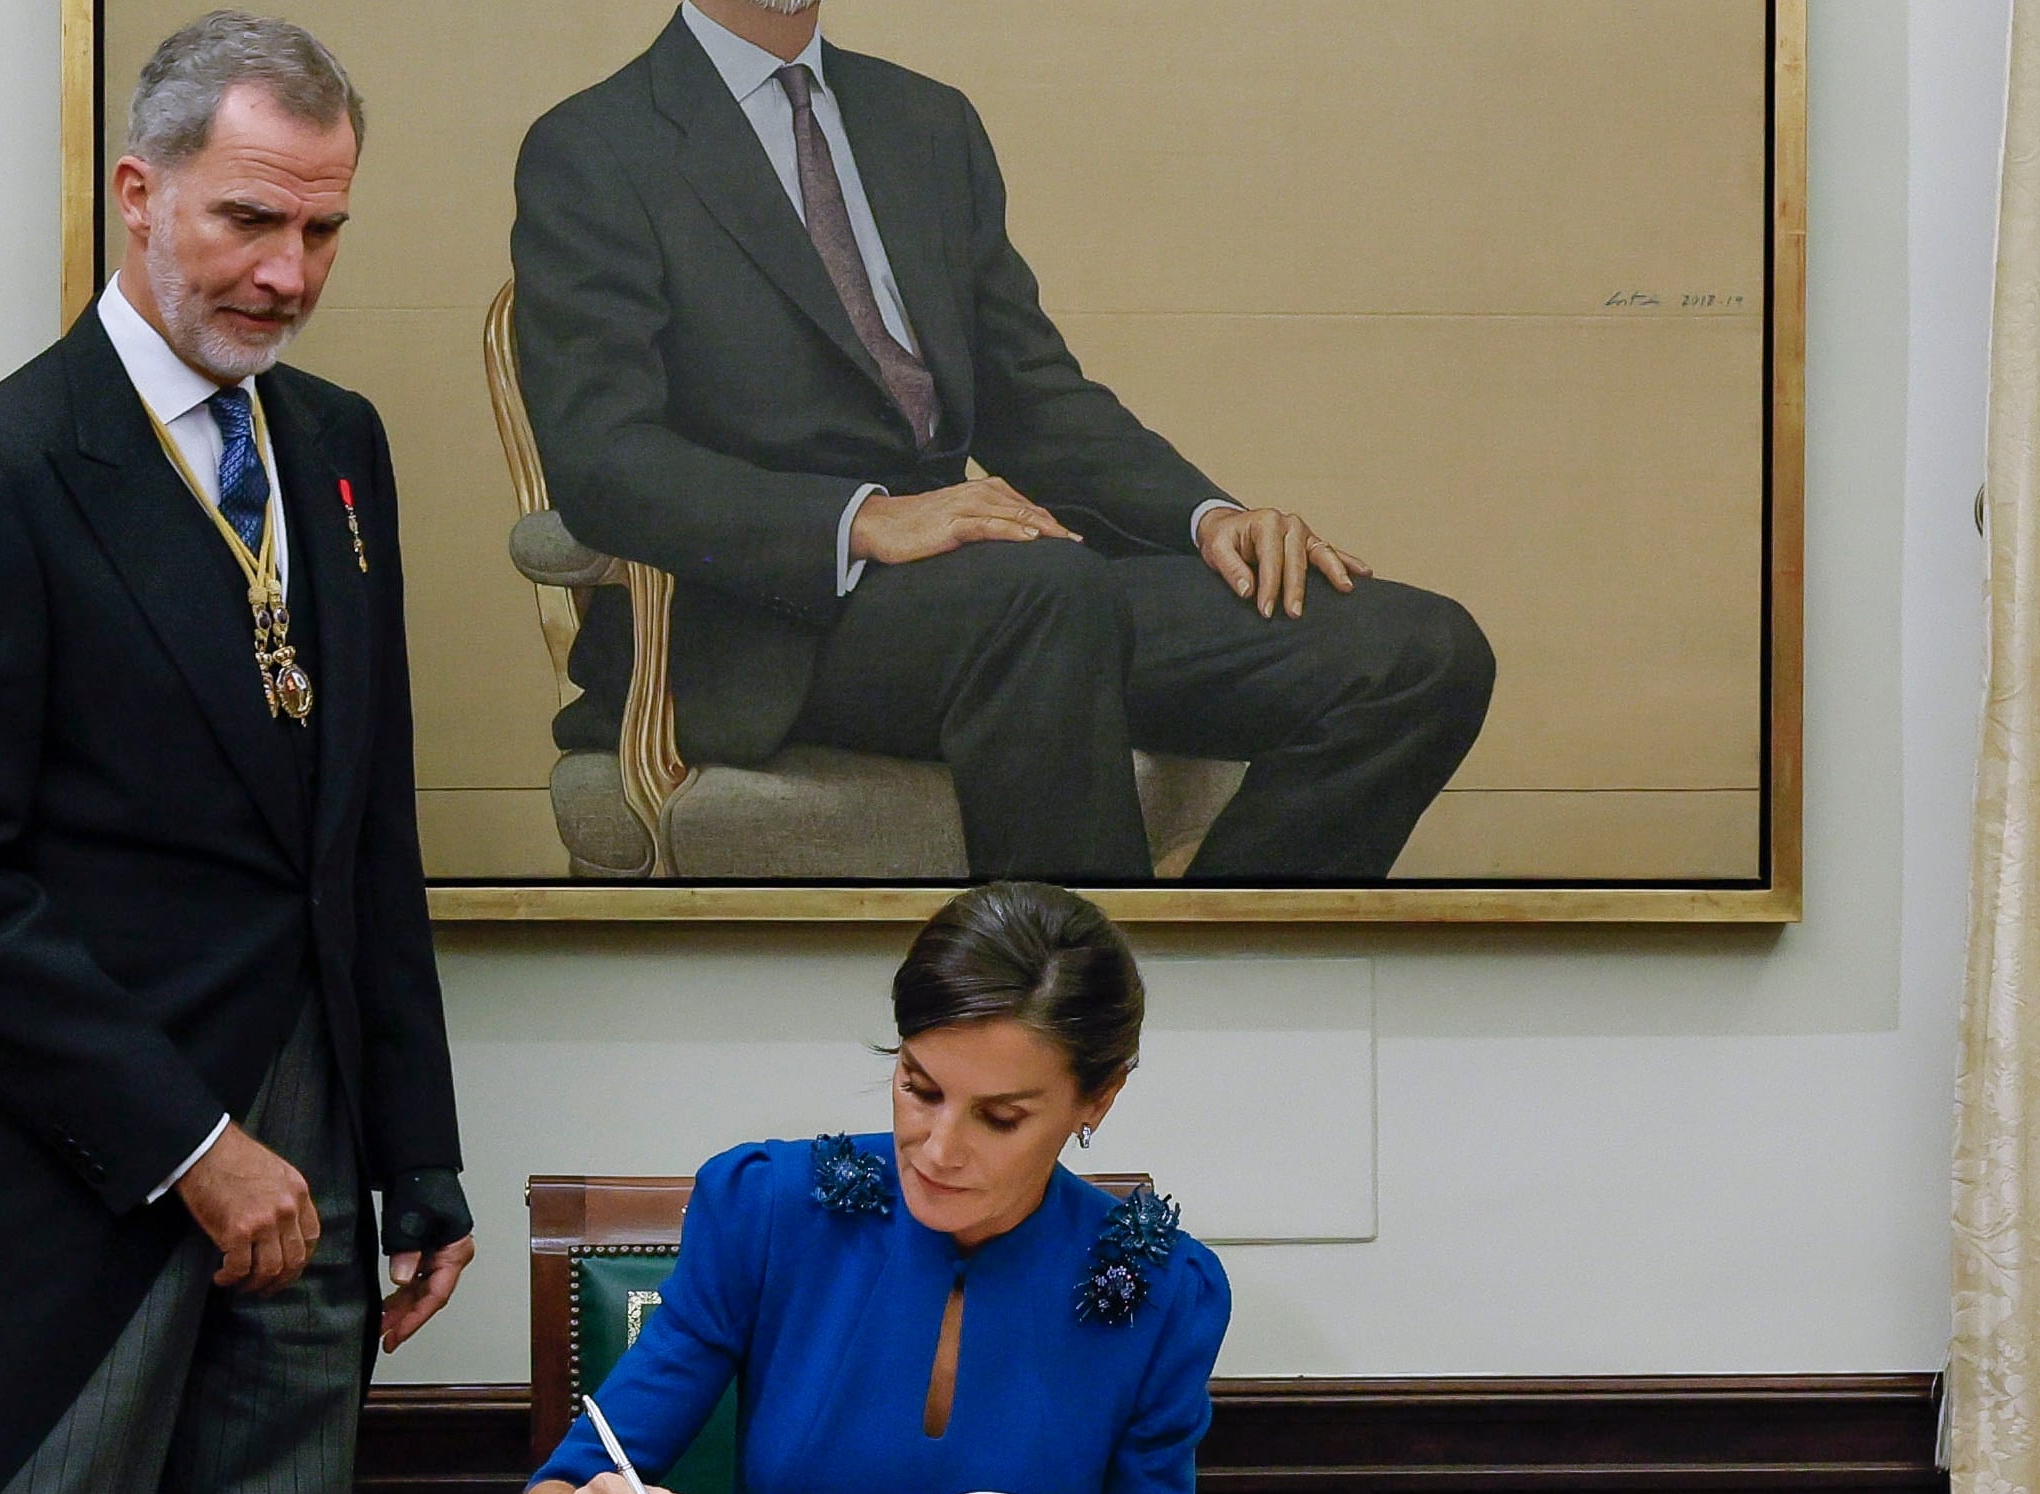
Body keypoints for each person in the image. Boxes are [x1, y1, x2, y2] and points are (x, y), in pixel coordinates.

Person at [0, 11, 473, 1494]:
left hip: (321, 1173)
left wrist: (415, 1155)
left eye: (322, 228)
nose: (286, 270)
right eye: (246, 219)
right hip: (86, 1197)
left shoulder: (338, 452)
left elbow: (361, 830)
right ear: (140, 195)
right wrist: (193, 1149)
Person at [509, 0, 1496, 883]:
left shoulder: (928, 123)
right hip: (769, 620)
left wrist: (1208, 516)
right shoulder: (595, 146)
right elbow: (604, 459)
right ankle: (1073, 1022)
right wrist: (866, 520)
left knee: (1416, 651)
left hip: (999, 590)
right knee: (1043, 591)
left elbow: (1035, 398)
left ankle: (1208, 991)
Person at [510, 881, 1231, 1494]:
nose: (939, 1148)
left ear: (1098, 1100)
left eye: (1000, 1117)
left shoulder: (1163, 1287)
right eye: (920, 1088)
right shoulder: (767, 1212)